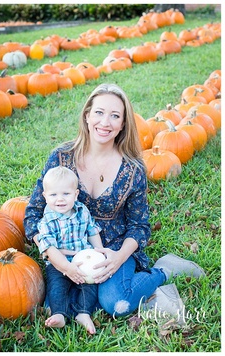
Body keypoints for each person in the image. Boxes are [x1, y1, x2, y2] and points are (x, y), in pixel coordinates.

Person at [23, 83, 206, 322]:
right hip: (68, 251)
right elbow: (33, 214)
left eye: (115, 116)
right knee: (56, 307)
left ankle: (163, 270)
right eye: (99, 112)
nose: (105, 122)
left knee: (116, 304)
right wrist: (53, 253)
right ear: (87, 115)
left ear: (122, 125)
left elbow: (139, 226)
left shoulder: (133, 168)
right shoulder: (61, 158)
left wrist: (119, 257)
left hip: (113, 249)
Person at [37, 166, 103, 334]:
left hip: (84, 259)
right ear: (45, 197)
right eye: (53, 195)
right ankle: (59, 314)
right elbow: (49, 248)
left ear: (76, 194)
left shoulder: (82, 212)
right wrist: (66, 268)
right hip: (59, 263)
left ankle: (83, 313)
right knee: (57, 286)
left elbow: (92, 231)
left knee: (90, 285)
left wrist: (99, 251)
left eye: (66, 194)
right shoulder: (47, 221)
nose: (60, 199)